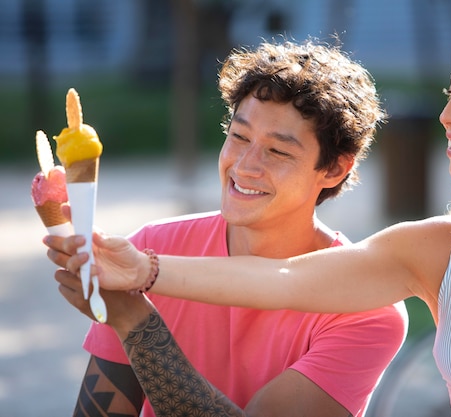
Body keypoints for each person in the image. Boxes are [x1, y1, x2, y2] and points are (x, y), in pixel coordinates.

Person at [48, 10, 451, 416]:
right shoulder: (432, 248)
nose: (447, 115)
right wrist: (144, 271)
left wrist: (137, 301)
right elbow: (289, 277)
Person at [47, 38, 409, 417]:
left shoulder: (365, 307)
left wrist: (135, 322)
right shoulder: (151, 247)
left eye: (279, 151)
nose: (245, 166)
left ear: (334, 169)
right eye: (239, 136)